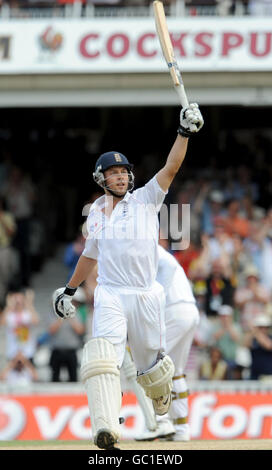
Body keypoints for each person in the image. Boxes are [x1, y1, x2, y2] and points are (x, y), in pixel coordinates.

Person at [52, 102, 204, 449]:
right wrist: (69, 289)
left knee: (152, 370)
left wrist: (183, 133)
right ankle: (106, 427)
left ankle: (161, 400)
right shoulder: (94, 215)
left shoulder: (146, 199)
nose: (120, 176)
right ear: (101, 178)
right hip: (110, 294)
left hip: (146, 295)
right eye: (113, 173)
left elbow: (172, 166)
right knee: (104, 355)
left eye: (124, 172)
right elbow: (90, 256)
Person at [123, 243, 199, 442]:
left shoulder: (142, 244)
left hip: (173, 310)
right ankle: (181, 430)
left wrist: (156, 300)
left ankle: (158, 423)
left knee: (151, 367)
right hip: (188, 310)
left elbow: (170, 268)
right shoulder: (147, 248)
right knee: (175, 371)